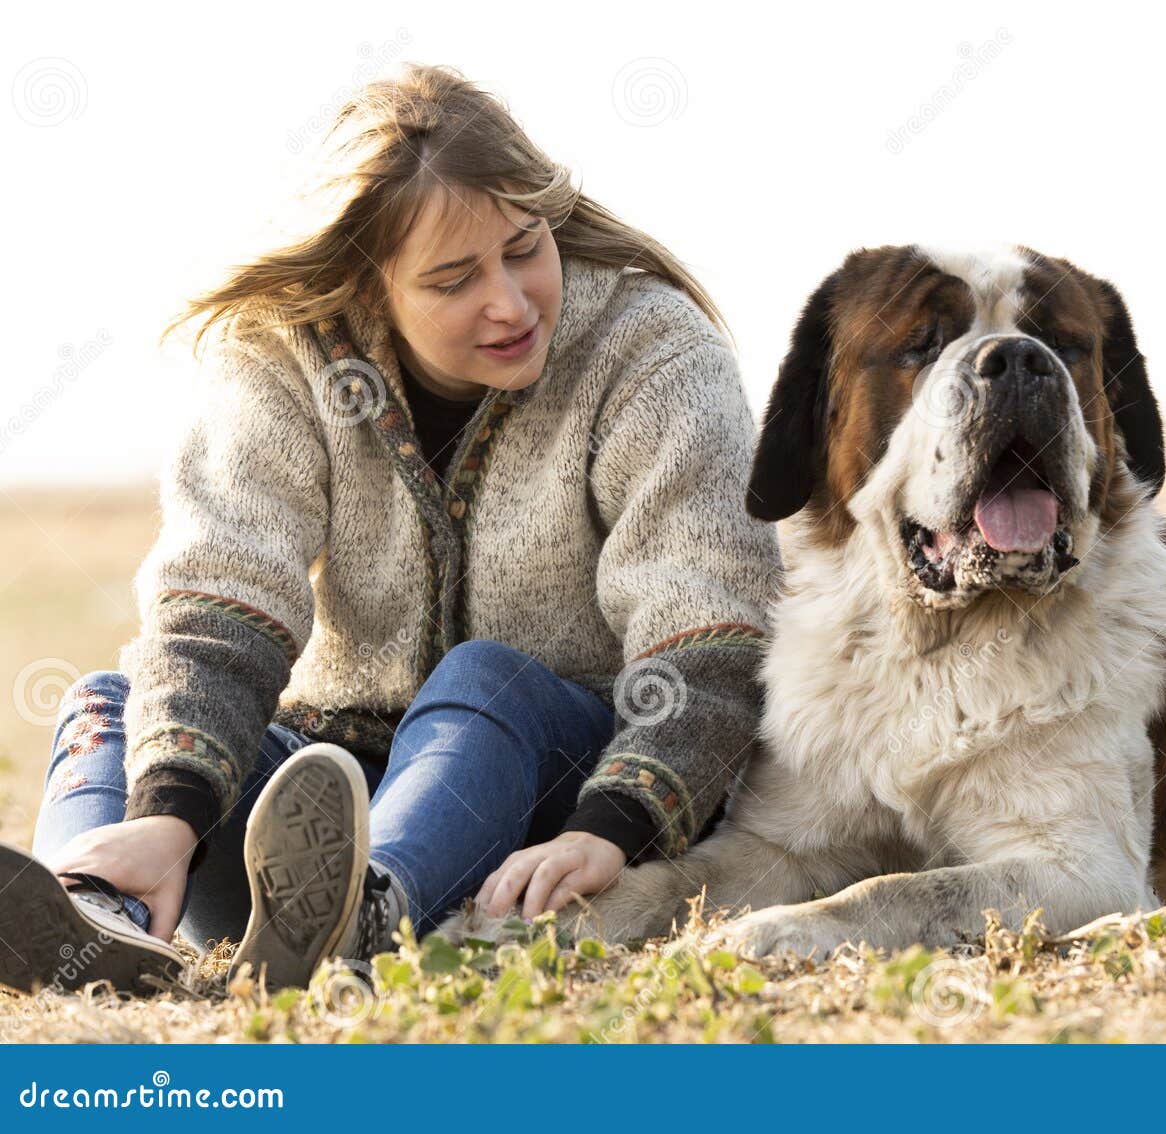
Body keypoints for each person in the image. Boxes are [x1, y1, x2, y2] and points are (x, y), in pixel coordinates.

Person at [0, 63, 778, 996]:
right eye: (454, 279)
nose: (512, 301)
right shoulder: (277, 355)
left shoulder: (653, 349)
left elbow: (712, 625)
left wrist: (616, 823)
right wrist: (169, 813)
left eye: (527, 247)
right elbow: (221, 598)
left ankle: (372, 914)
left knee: (486, 678)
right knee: (112, 705)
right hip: (314, 805)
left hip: (556, 814)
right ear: (366, 285)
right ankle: (97, 913)